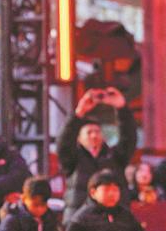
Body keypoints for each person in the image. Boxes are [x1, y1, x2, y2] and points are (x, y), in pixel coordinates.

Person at [56, 88, 137, 223]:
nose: (94, 135)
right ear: (79, 138)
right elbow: (63, 143)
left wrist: (122, 108)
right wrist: (79, 113)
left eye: (97, 131)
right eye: (89, 132)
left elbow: (128, 138)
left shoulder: (115, 157)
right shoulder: (72, 159)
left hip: (113, 222)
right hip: (79, 223)